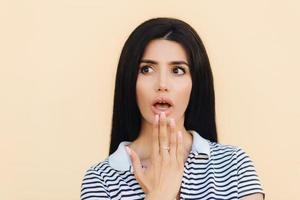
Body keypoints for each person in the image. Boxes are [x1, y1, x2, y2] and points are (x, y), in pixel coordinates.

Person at [80, 17, 265, 200]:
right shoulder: (100, 180)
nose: (162, 84)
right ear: (129, 79)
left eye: (177, 70)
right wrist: (160, 194)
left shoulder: (234, 165)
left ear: (196, 83)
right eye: (146, 69)